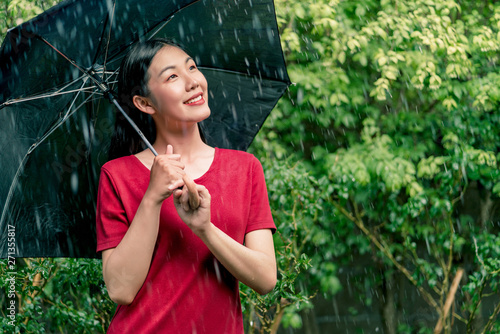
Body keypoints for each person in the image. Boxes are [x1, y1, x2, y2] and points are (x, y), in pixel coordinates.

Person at [95, 38, 277, 333]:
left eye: (192, 67)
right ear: (144, 103)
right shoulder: (118, 175)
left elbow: (266, 278)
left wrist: (204, 228)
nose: (193, 81)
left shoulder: (245, 169)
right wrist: (153, 196)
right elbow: (120, 289)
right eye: (173, 76)